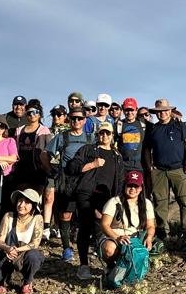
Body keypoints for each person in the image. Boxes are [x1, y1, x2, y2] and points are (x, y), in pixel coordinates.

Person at [70, 123, 125, 271]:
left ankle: (108, 265)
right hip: (86, 194)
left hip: (107, 197)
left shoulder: (117, 156)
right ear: (97, 135)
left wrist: (117, 201)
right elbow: (72, 167)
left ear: (112, 136)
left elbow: (120, 181)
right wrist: (92, 164)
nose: (104, 136)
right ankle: (83, 265)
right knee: (86, 227)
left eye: (108, 133)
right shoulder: (88, 149)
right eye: (102, 133)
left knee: (102, 228)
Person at [143, 99, 186, 244]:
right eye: (159, 111)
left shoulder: (180, 125)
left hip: (179, 168)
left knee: (184, 201)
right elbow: (147, 149)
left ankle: (185, 231)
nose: (162, 113)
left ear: (170, 111)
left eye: (165, 110)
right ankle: (163, 234)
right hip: (159, 170)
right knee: (160, 202)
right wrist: (149, 165)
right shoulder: (152, 129)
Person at [47, 108, 93, 249]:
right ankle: (66, 247)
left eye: (80, 118)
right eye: (73, 118)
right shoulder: (62, 137)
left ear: (85, 120)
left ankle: (81, 242)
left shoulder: (91, 138)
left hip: (85, 179)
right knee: (66, 213)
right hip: (67, 179)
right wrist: (51, 170)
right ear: (69, 120)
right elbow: (46, 153)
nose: (77, 121)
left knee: (85, 213)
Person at [99, 170, 156, 281]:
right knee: (109, 249)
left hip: (136, 238)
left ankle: (132, 274)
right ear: (125, 185)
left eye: (136, 186)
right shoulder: (114, 202)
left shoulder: (147, 203)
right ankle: (111, 267)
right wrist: (117, 237)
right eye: (130, 185)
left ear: (140, 188)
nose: (132, 189)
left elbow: (151, 226)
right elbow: (104, 224)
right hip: (115, 236)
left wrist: (149, 238)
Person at [0, 188, 45, 294]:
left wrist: (17, 250)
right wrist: (8, 249)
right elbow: (0, 240)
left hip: (24, 253)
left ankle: (27, 282)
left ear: (33, 206)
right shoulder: (9, 216)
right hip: (8, 252)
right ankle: (1, 283)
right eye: (20, 201)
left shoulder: (37, 218)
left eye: (27, 202)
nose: (21, 205)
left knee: (35, 256)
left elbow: (35, 243)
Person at [8, 100, 50, 199]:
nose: (32, 115)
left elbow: (49, 151)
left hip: (37, 171)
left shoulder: (44, 130)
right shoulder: (19, 130)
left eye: (35, 112)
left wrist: (47, 168)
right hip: (20, 171)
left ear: (40, 114)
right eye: (29, 112)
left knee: (34, 201)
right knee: (20, 199)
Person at [117, 98, 147, 172]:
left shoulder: (143, 124)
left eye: (132, 110)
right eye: (127, 110)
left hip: (139, 166)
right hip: (122, 166)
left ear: (136, 110)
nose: (129, 112)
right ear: (123, 111)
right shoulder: (118, 125)